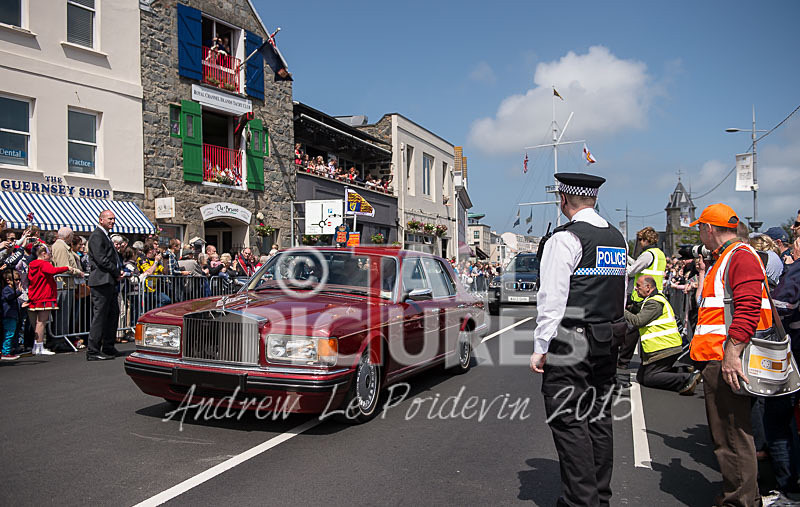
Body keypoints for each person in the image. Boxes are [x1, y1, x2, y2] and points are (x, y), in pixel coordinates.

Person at [529, 173, 627, 506]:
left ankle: (580, 502)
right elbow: (620, 295)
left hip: (573, 341)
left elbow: (552, 298)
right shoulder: (617, 238)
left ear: (563, 200)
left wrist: (541, 347)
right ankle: (599, 497)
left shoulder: (566, 239)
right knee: (599, 417)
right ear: (594, 199)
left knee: (568, 420)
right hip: (608, 337)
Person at [689, 203, 774, 506]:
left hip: (727, 358)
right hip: (721, 356)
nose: (700, 233)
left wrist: (732, 353)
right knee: (731, 435)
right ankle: (745, 496)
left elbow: (748, 307)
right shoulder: (731, 256)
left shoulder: (738, 257)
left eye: (700, 228)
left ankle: (740, 501)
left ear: (710, 229)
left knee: (732, 438)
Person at [624, 276, 700, 394]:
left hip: (664, 348)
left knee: (649, 378)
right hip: (664, 346)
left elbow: (638, 321)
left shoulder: (654, 303)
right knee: (641, 376)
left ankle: (684, 379)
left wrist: (620, 309)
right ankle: (684, 370)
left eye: (638, 286)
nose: (636, 289)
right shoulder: (654, 299)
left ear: (648, 287)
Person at [619, 226, 666, 370]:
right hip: (655, 295)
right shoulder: (659, 254)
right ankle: (650, 361)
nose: (639, 242)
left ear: (646, 240)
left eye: (640, 239)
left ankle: (622, 361)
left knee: (632, 330)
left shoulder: (648, 254)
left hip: (642, 296)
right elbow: (639, 265)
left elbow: (632, 271)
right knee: (648, 330)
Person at [87, 210, 123, 361]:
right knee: (100, 316)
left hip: (109, 281)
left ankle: (108, 346)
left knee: (112, 314)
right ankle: (93, 350)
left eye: (114, 219)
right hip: (101, 281)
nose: (112, 221)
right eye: (109, 219)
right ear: (101, 220)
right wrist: (116, 271)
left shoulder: (106, 236)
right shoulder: (97, 235)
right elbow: (101, 259)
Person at [27, 243, 70, 355]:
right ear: (43, 253)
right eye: (49, 253)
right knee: (41, 322)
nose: (51, 256)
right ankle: (40, 347)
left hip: (35, 295)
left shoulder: (32, 264)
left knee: (38, 323)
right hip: (44, 295)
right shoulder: (42, 264)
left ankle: (36, 346)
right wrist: (67, 267)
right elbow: (53, 271)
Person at [50, 227, 85, 341]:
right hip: (63, 285)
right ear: (68, 236)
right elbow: (63, 267)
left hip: (68, 285)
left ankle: (63, 338)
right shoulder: (60, 247)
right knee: (62, 316)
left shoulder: (64, 247)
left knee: (65, 316)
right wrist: (77, 272)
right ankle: (59, 340)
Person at [1, 271, 21, 361]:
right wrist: (18, 292)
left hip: (13, 315)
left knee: (12, 333)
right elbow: (9, 298)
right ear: (8, 280)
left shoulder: (12, 290)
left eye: (19, 279)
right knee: (9, 333)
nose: (18, 281)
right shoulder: (6, 289)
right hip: (8, 315)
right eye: (16, 279)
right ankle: (5, 352)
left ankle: (10, 349)